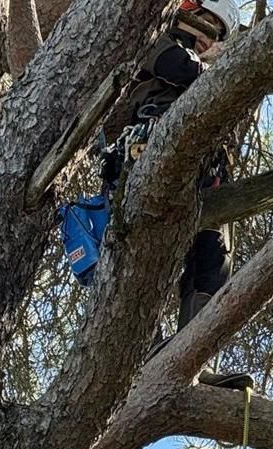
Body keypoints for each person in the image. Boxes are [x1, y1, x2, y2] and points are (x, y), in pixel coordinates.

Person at [103, 0, 249, 387]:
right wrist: (219, 76)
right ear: (189, 11)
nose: (207, 40)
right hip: (148, 158)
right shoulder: (158, 42)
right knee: (140, 261)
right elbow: (176, 67)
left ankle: (195, 359)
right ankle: (144, 347)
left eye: (217, 34)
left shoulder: (205, 69)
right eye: (208, 26)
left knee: (214, 256)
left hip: (206, 173)